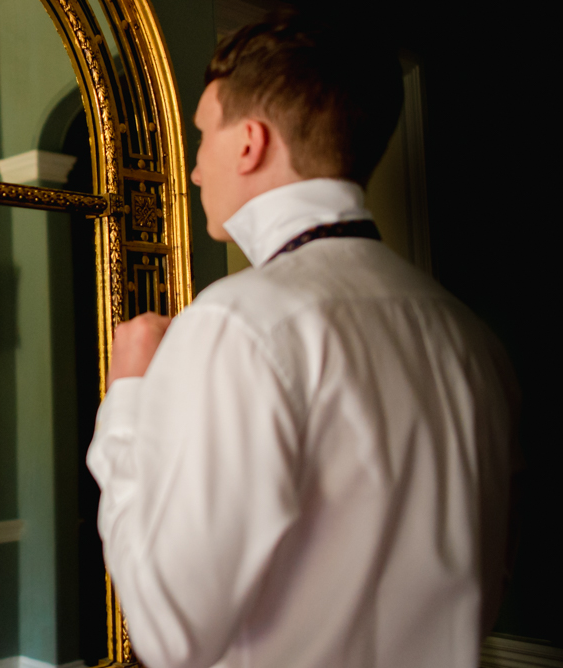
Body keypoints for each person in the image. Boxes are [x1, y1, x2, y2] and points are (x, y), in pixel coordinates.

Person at [87, 11, 518, 668]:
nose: (196, 171)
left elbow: (169, 636)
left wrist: (128, 403)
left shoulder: (236, 322)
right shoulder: (469, 336)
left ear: (249, 143)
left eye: (202, 136)